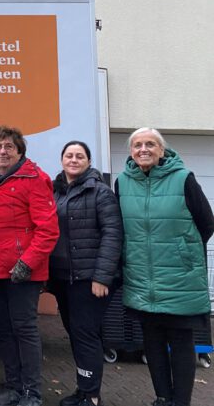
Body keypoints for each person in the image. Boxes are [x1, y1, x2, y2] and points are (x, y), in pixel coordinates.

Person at [116, 128, 214, 406]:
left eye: (150, 144)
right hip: (141, 277)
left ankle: (180, 401)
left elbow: (206, 223)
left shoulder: (183, 178)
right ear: (131, 151)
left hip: (178, 276)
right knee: (153, 342)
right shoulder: (123, 182)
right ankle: (162, 398)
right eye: (137, 145)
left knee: (181, 341)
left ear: (162, 150)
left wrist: (182, 251)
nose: (143, 149)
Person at [0, 126, 59, 406]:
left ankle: (32, 392)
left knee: (24, 329)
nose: (2, 152)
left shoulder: (36, 179)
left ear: (20, 151)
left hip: (22, 273)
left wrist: (27, 263)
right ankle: (13, 387)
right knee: (3, 330)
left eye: (8, 147)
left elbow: (48, 230)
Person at [48, 141, 123, 406]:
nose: (74, 159)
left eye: (80, 156)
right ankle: (83, 389)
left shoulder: (100, 192)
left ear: (89, 162)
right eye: (69, 155)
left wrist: (102, 277)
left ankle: (91, 396)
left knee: (86, 334)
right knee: (76, 333)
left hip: (89, 279)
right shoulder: (57, 192)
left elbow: (113, 235)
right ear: (62, 160)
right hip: (63, 280)